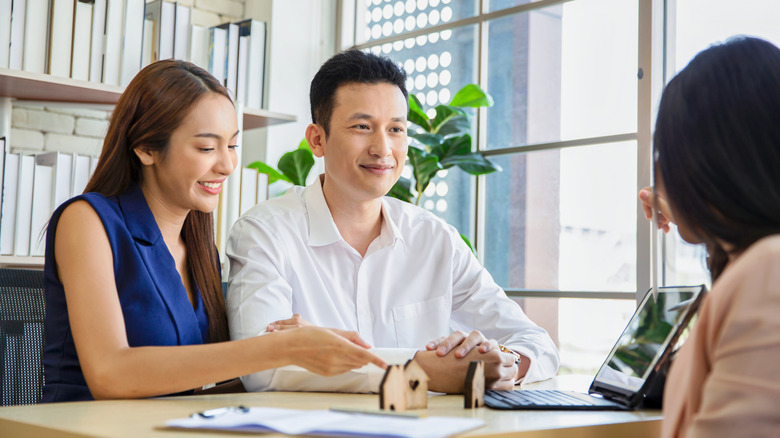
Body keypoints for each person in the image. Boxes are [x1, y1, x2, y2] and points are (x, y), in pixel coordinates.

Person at [41, 60, 386, 402]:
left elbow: (187, 391)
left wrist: (295, 361)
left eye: (232, 145)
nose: (227, 165)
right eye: (207, 148)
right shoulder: (86, 220)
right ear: (146, 148)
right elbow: (110, 374)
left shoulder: (195, 244)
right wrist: (275, 349)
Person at [226, 49, 559, 394]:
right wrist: (417, 369)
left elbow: (537, 344)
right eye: (362, 127)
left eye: (396, 129)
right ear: (317, 139)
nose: (383, 149)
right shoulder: (264, 233)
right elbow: (260, 368)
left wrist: (503, 363)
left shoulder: (435, 239)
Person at [638, 37, 780, 437]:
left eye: (666, 153)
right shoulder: (759, 261)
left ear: (708, 159)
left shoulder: (766, 273)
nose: (659, 170)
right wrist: (691, 210)